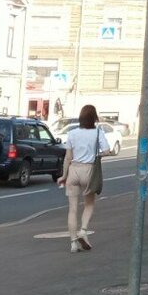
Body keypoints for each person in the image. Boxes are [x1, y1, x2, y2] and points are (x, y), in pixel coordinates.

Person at [56, 104, 109, 254]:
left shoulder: (72, 133)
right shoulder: (98, 132)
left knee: (72, 209)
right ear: (94, 118)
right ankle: (83, 231)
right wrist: (98, 154)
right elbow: (106, 151)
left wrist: (64, 176)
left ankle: (73, 243)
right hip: (89, 170)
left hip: (73, 170)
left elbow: (68, 157)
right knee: (89, 204)